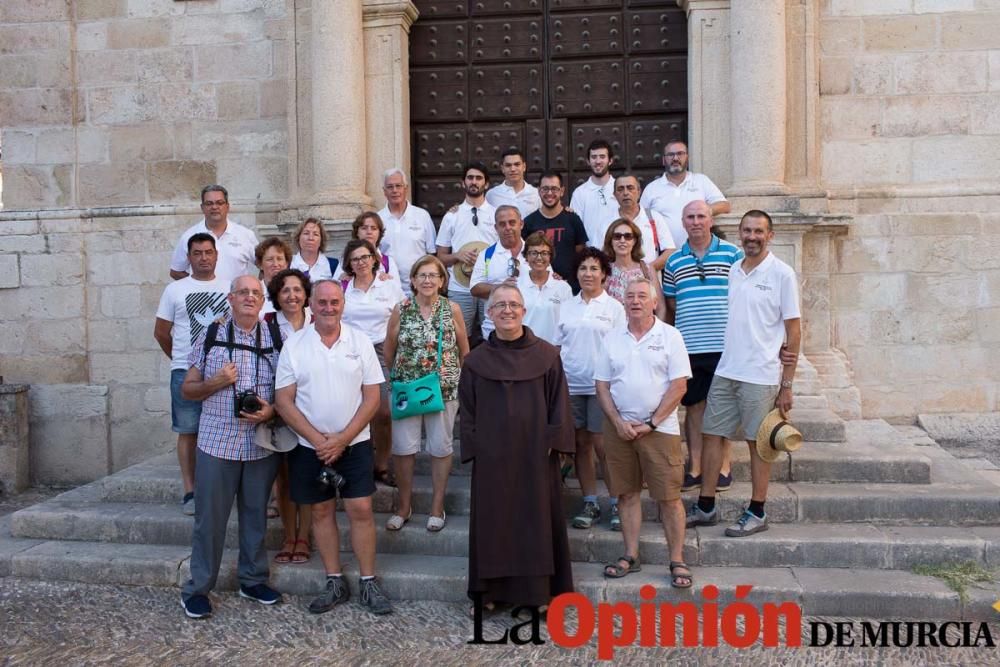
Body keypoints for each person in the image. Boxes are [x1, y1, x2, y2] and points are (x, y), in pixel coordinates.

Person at [274, 280, 393, 615]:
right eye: (322, 302)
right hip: (308, 447)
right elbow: (284, 400)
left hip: (354, 443)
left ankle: (369, 581)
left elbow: (372, 398)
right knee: (322, 512)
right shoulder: (295, 345)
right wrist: (318, 440)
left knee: (361, 510)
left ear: (343, 304)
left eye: (334, 302)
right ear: (312, 304)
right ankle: (334, 580)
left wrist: (341, 439)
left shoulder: (360, 342)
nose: (328, 307)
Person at [459, 284, 575, 612]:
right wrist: (476, 445)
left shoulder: (547, 355)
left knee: (535, 522)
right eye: (500, 306)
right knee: (492, 524)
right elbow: (467, 410)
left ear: (524, 311)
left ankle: (537, 594)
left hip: (536, 456)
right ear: (490, 314)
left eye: (514, 305)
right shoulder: (476, 361)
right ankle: (489, 593)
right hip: (492, 458)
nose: (507, 310)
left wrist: (555, 441)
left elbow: (558, 403)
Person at [687, 210, 801, 538]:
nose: (752, 237)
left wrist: (787, 384)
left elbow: (793, 331)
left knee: (757, 444)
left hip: (761, 374)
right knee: (712, 436)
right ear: (740, 234)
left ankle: (757, 510)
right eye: (747, 231)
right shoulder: (735, 270)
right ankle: (706, 504)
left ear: (770, 235)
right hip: (727, 369)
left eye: (759, 231)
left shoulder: (782, 274)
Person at [179, 275, 283, 619]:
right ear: (231, 298)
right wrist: (216, 382)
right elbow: (188, 390)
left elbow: (290, 391)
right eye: (243, 292)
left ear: (263, 299)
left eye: (256, 292)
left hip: (259, 446)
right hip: (217, 444)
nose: (249, 297)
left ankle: (252, 579)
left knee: (255, 517)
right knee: (210, 521)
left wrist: (272, 411)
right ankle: (197, 588)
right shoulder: (210, 336)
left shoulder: (277, 338)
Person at [595, 278, 692, 588]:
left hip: (660, 430)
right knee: (626, 493)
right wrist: (617, 421)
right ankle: (630, 554)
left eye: (642, 296)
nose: (635, 301)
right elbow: (602, 386)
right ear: (623, 303)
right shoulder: (611, 338)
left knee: (669, 497)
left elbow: (679, 386)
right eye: (630, 296)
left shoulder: (670, 336)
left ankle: (677, 559)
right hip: (619, 429)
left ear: (654, 303)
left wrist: (651, 422)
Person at [383, 256, 469, 532]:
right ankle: (404, 507)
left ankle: (436, 507)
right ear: (413, 280)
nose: (428, 280)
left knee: (440, 447)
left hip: (441, 390)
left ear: (443, 281)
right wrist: (400, 375)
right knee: (404, 448)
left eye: (434, 275)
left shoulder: (451, 309)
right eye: (422, 275)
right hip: (407, 389)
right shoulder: (401, 309)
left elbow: (464, 350)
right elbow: (389, 349)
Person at [663, 201, 744, 493]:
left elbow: (741, 297)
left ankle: (723, 466)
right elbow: (672, 303)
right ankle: (696, 467)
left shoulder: (733, 254)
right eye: (690, 217)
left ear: (710, 220)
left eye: (701, 216)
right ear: (683, 222)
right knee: (694, 408)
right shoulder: (674, 262)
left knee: (721, 407)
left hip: (724, 345)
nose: (696, 222)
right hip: (690, 346)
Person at [154, 233, 231, 516]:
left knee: (223, 428)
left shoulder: (229, 287)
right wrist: (181, 361)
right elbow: (161, 333)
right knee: (188, 431)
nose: (203, 258)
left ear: (216, 255)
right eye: (197, 253)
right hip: (185, 371)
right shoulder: (175, 290)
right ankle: (190, 491)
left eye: (208, 252)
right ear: (189, 257)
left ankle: (218, 487)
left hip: (222, 371)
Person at [555, 247, 626, 530]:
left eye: (594, 268)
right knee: (581, 445)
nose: (588, 273)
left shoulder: (615, 309)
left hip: (602, 388)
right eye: (583, 268)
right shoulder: (567, 306)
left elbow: (621, 350)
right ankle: (590, 501)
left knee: (603, 446)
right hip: (571, 385)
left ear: (605, 275)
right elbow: (557, 346)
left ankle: (617, 502)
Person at [340, 239, 406, 487]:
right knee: (352, 409)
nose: (361, 262)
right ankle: (358, 464)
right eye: (355, 259)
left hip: (381, 349)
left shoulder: (388, 285)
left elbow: (403, 312)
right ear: (349, 263)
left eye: (365, 257)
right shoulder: (344, 287)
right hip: (351, 349)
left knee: (384, 411)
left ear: (374, 258)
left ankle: (382, 463)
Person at [265, 268, 313, 565]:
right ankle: (289, 535)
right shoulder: (267, 325)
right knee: (283, 477)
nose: (292, 295)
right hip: (280, 408)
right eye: (285, 290)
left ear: (306, 294)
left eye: (297, 289)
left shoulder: (318, 322)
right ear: (277, 296)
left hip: (312, 408)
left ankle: (305, 537)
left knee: (305, 476)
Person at [436, 162, 499, 342]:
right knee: (459, 338)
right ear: (463, 182)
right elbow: (440, 257)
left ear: (486, 184)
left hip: (489, 285)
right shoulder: (451, 216)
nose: (474, 182)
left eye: (478, 178)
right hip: (460, 288)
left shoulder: (496, 215)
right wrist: (457, 256)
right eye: (470, 178)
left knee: (493, 336)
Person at [639, 139, 731, 248]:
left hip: (699, 251)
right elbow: (641, 218)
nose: (675, 158)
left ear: (687, 157)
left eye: (680, 154)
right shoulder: (652, 188)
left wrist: (704, 211)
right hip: (665, 255)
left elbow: (725, 206)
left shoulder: (701, 181)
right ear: (664, 160)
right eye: (670, 155)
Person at [170, 185, 258, 282]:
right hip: (205, 297)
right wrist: (198, 286)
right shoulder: (189, 236)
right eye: (209, 203)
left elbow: (264, 266)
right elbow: (176, 272)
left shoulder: (245, 235)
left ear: (227, 206)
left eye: (219, 203)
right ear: (202, 207)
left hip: (236, 296)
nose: (214, 207)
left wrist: (258, 289)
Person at [522, 170, 588, 293]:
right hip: (537, 288)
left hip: (570, 287)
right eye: (545, 189)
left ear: (562, 191)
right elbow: (524, 255)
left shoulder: (573, 219)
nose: (549, 193)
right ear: (539, 191)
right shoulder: (529, 222)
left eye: (554, 189)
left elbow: (580, 254)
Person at [469, 205, 527, 341]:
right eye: (502, 224)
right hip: (493, 332)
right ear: (496, 228)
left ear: (521, 224)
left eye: (512, 222)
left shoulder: (535, 252)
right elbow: (474, 288)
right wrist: (501, 288)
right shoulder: (486, 255)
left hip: (528, 327)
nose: (508, 228)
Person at [378, 168, 437, 296]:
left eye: (398, 186)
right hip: (387, 288)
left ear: (406, 188)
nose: (394, 190)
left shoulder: (422, 216)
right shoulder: (378, 219)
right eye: (390, 187)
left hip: (420, 288)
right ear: (384, 191)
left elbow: (432, 254)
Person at [602, 218, 666, 321]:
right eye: (617, 237)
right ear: (610, 241)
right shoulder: (604, 271)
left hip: (644, 332)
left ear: (635, 241)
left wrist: (656, 332)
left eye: (628, 237)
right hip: (613, 332)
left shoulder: (647, 269)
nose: (622, 241)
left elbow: (660, 308)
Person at [613, 174, 675, 275]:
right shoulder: (606, 222)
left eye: (630, 188)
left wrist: (649, 269)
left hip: (649, 282)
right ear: (614, 195)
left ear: (639, 192)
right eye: (620, 189)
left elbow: (670, 250)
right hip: (616, 283)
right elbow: (599, 255)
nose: (625, 193)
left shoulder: (654, 217)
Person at [518, 231, 572, 345]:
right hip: (523, 349)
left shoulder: (563, 288)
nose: (539, 257)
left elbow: (568, 324)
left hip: (553, 350)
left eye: (544, 253)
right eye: (533, 253)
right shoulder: (516, 286)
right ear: (526, 257)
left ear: (550, 257)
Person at [569, 139, 619, 250]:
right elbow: (576, 229)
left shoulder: (621, 189)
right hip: (591, 257)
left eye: (602, 157)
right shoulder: (579, 193)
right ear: (588, 161)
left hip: (619, 255)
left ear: (610, 160)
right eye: (594, 157)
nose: (598, 161)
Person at [335, 212, 401, 280]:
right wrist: (341, 279)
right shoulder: (347, 259)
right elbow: (334, 286)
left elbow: (397, 288)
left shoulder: (388, 262)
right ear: (357, 232)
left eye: (374, 228)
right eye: (364, 228)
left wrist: (389, 280)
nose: (369, 232)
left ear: (379, 233)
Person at [485, 148, 541, 218]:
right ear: (502, 169)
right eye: (508, 165)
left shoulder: (536, 194)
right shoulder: (491, 195)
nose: (513, 169)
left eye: (517, 164)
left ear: (524, 167)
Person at [255, 237, 292, 317]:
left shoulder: (296, 292)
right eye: (270, 259)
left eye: (279, 259)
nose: (275, 264)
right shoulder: (253, 293)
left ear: (286, 264)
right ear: (260, 264)